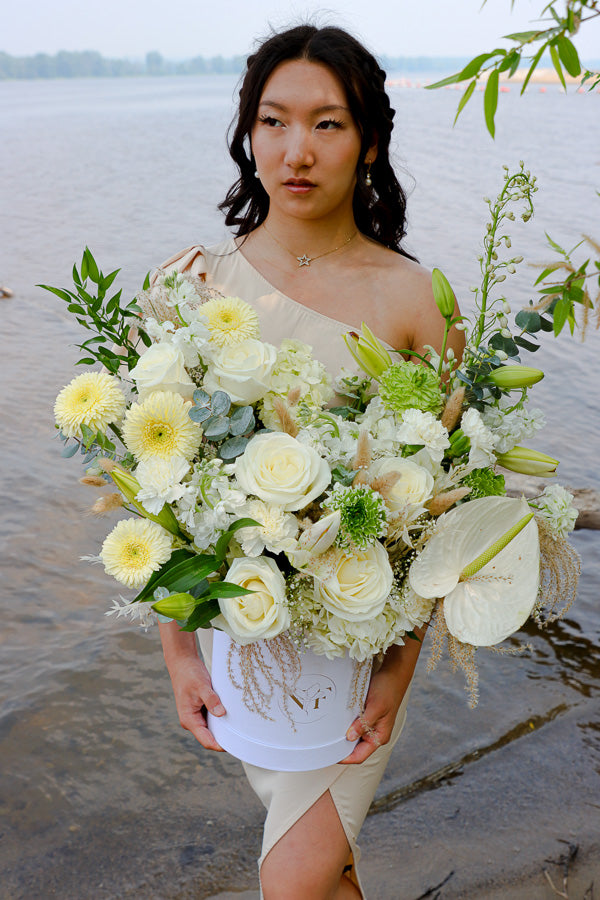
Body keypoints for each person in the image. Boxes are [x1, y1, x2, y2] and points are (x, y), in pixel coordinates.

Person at [156, 23, 464, 900]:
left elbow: (448, 508)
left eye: (328, 124)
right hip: (242, 642)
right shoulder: (193, 286)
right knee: (328, 878)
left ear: (370, 141)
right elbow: (158, 497)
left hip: (355, 656)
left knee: (290, 883)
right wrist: (180, 656)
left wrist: (397, 676)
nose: (297, 150)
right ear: (247, 134)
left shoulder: (415, 300)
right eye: (274, 121)